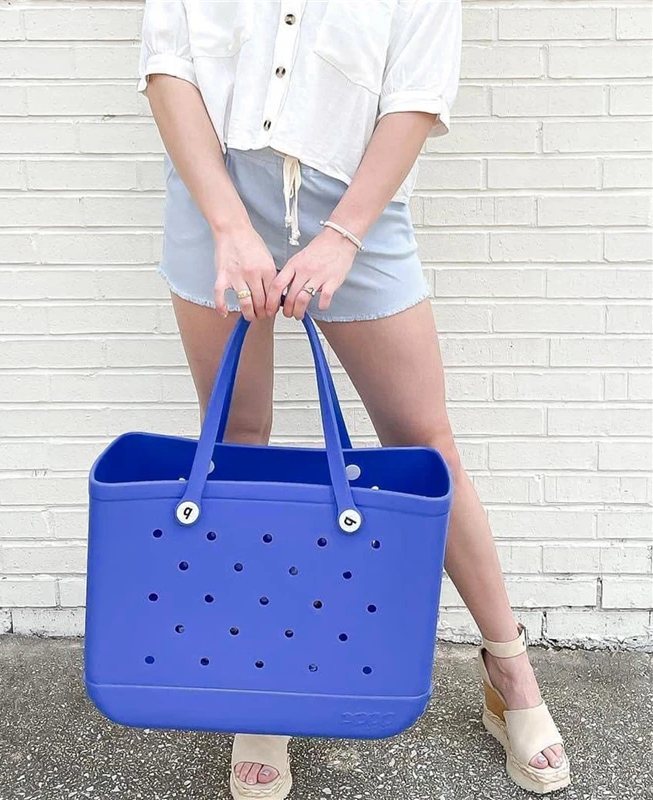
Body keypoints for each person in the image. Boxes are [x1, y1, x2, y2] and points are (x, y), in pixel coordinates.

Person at [136, 1, 570, 797]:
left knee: (425, 448)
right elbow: (169, 68)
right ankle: (259, 685)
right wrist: (229, 225)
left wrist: (342, 235)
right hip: (214, 197)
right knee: (238, 443)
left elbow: (416, 97)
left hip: (352, 207)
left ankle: (511, 670)